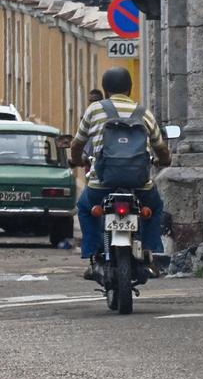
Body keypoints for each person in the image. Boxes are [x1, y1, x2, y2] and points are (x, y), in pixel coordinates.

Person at [69, 67, 171, 275]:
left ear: (105, 90)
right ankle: (149, 251)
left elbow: (77, 143)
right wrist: (164, 160)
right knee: (155, 208)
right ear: (130, 89)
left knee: (85, 207)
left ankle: (93, 254)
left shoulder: (94, 110)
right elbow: (160, 146)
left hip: (102, 183)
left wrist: (77, 159)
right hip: (139, 184)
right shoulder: (144, 113)